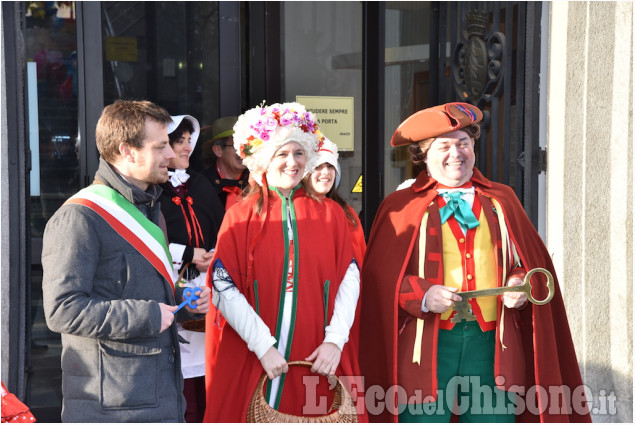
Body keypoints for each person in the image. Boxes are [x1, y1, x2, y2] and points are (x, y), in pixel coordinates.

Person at [359, 102, 590, 422]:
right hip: (425, 351)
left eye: (464, 143)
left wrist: (518, 285)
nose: (456, 153)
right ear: (423, 155)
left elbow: (530, 264)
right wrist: (423, 295)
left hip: (493, 347)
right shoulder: (400, 206)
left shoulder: (502, 199)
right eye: (444, 146)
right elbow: (380, 283)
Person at [42, 100, 211, 422]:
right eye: (161, 146)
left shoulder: (152, 209)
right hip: (114, 404)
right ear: (128, 151)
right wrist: (148, 315)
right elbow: (62, 310)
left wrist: (183, 301)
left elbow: (138, 287)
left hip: (157, 393)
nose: (171, 155)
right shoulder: (79, 217)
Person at [204, 102, 364, 422]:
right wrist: (262, 345)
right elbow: (223, 285)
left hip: (317, 351)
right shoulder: (240, 214)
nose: (292, 162)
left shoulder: (331, 214)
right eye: (282, 154)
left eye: (299, 153)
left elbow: (350, 277)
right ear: (264, 159)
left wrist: (335, 341)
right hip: (253, 354)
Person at [159, 115, 225, 422]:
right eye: (178, 141)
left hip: (204, 283)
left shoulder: (200, 184)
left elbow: (219, 227)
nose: (186, 147)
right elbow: (148, 238)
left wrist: (212, 254)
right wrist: (188, 253)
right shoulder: (153, 190)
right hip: (169, 280)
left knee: (205, 366)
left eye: (189, 141)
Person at [303, 137, 366, 267]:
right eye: (317, 167)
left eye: (330, 166)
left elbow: (360, 258)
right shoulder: (294, 211)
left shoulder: (347, 212)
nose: (325, 172)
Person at [201, 116, 250, 210]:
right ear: (218, 150)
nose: (243, 151)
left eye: (246, 145)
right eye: (236, 145)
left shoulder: (257, 182)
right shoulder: (202, 185)